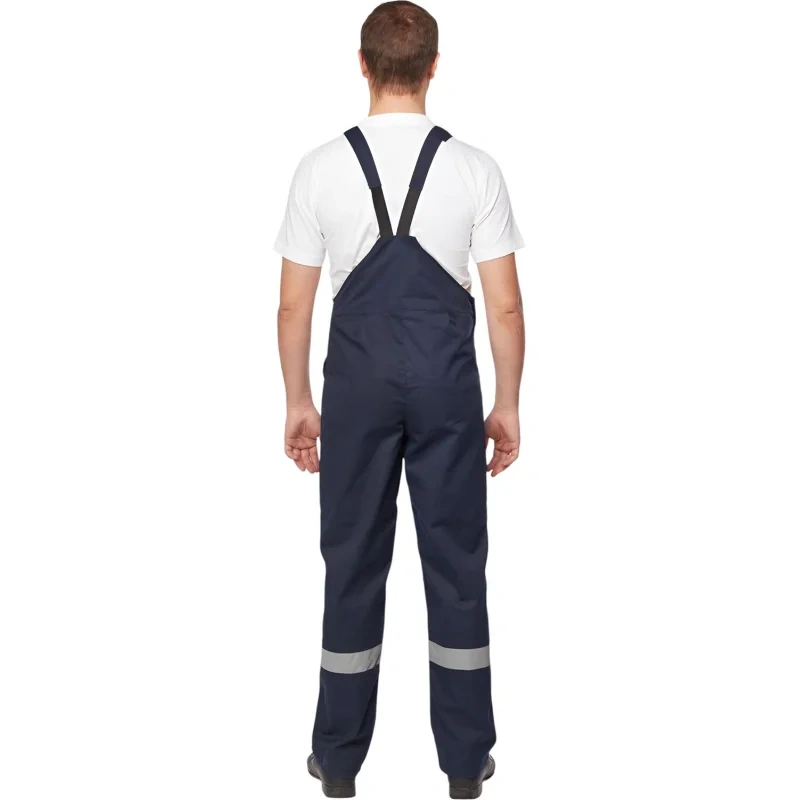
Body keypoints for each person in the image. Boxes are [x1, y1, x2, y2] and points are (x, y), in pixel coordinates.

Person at [275, 2, 525, 796]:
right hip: (448, 387)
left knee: (352, 562)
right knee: (456, 565)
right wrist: (508, 403)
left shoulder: (320, 168)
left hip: (355, 388)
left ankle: (338, 761)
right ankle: (465, 764)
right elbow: (504, 307)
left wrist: (298, 400)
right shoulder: (474, 169)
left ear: (363, 64)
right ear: (433, 67)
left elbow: (293, 306)